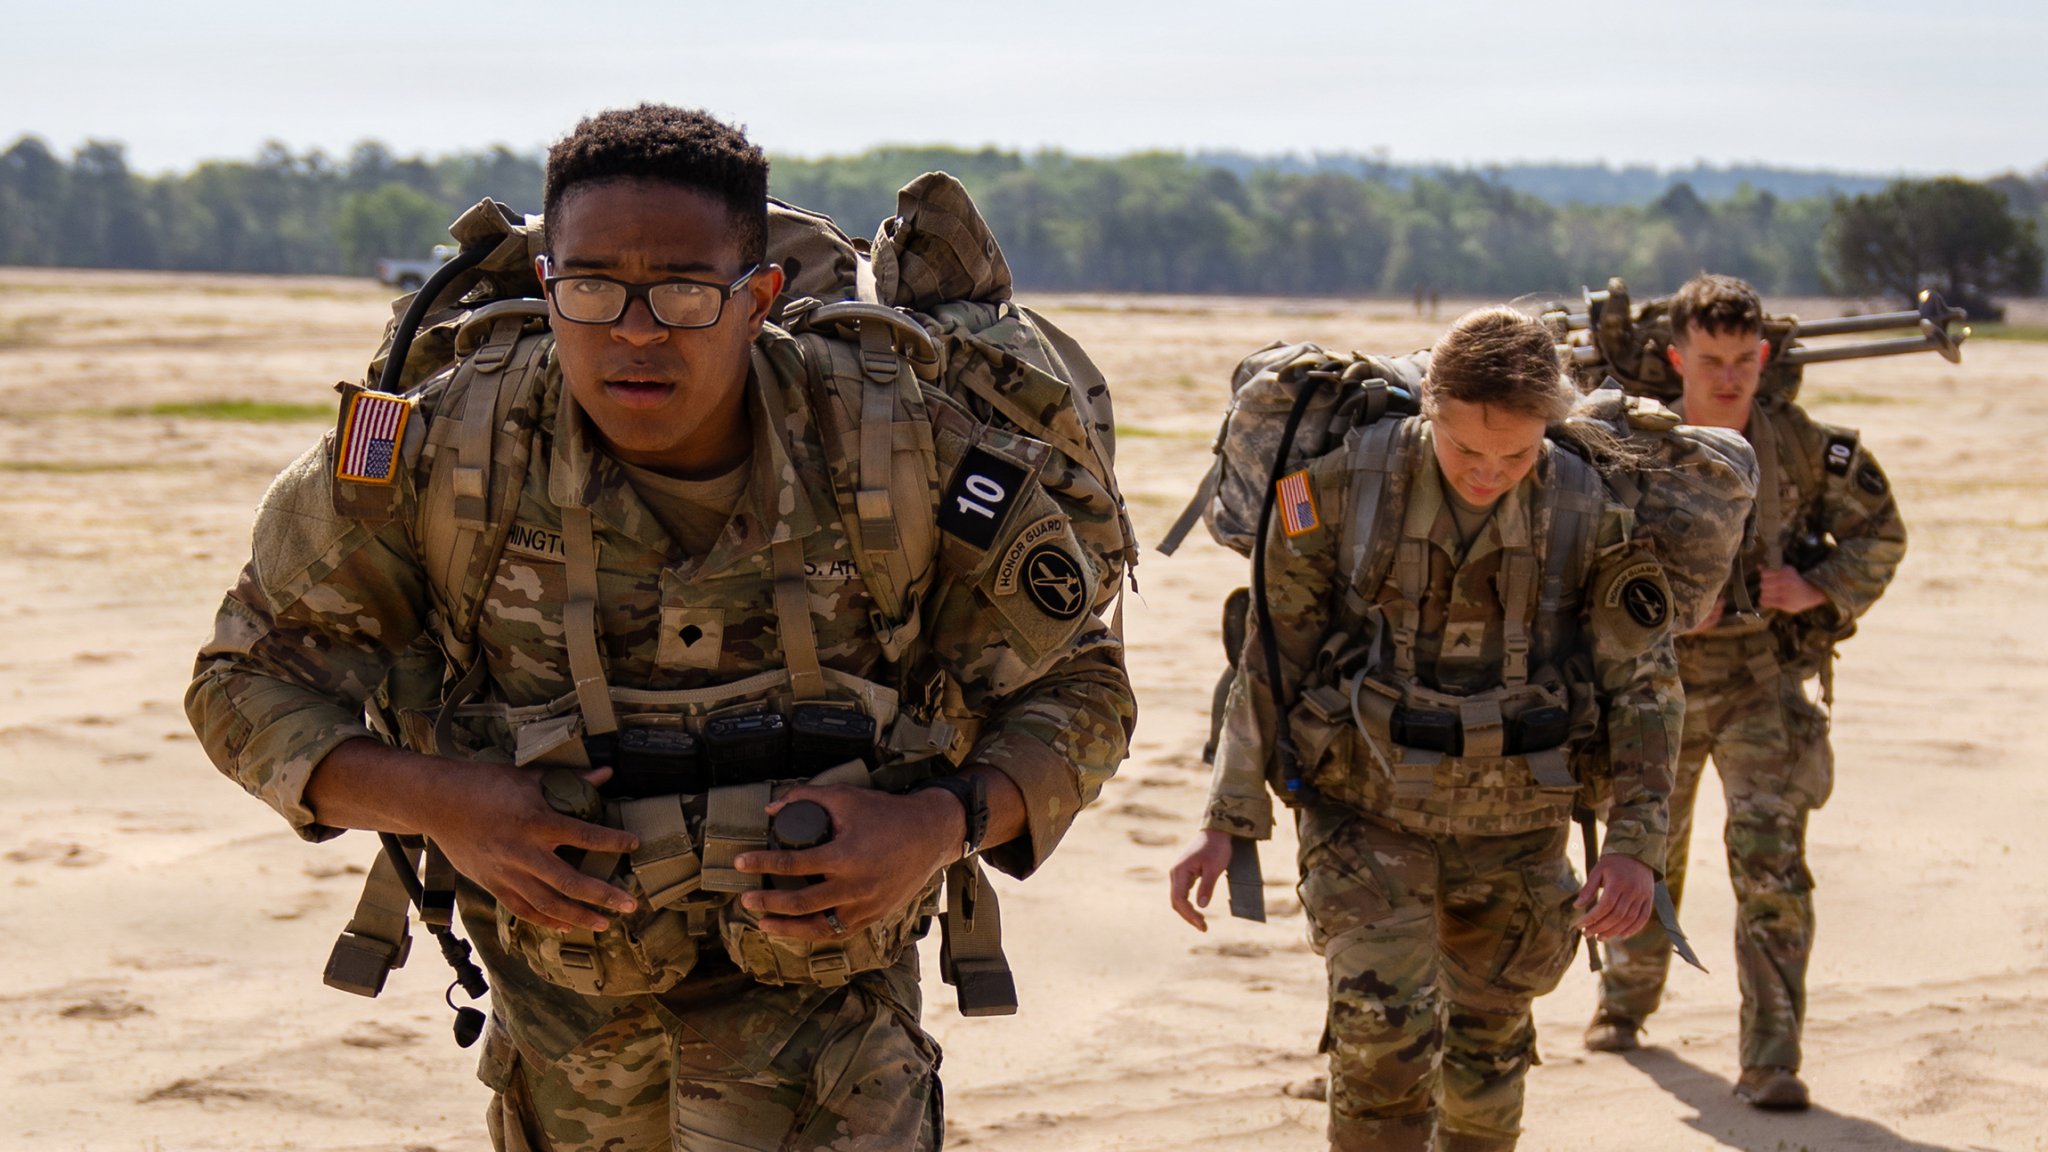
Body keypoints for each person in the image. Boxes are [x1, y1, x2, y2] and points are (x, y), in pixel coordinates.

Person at [185, 104, 1134, 1152]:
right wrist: (447, 804)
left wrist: (938, 826)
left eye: (683, 292)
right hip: (567, 1064)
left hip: (838, 1059)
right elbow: (241, 680)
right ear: (550, 290)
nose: (634, 331)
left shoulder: (895, 444)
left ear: (756, 297)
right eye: (591, 289)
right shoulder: (448, 454)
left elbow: (1079, 686)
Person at [1169, 307, 1680, 1152]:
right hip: (1367, 809)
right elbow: (1271, 658)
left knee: (1489, 1055)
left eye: (1515, 454)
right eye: (1465, 448)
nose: (1488, 472)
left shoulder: (1589, 511)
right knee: (1383, 1039)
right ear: (1428, 409)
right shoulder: (1333, 492)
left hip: (1518, 824)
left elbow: (1645, 685)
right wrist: (1225, 822)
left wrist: (1635, 844)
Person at [1583, 273, 1907, 1111]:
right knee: (1647, 855)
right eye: (1710, 359)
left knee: (1771, 865)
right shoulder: (1636, 444)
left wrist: (1819, 585)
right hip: (1657, 689)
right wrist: (1649, 612)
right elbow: (1580, 550)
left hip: (1765, 685)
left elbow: (1882, 529)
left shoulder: (1804, 448)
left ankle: (1771, 1056)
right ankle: (1624, 1001)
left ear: (1763, 357)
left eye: (1742, 360)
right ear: (1676, 357)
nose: (1727, 377)